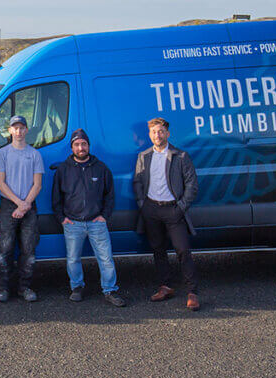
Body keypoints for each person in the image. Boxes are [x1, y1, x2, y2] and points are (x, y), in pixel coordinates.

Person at [51, 128, 126, 307]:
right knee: (73, 258)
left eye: (84, 144)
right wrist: (62, 218)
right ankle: (77, 287)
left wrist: (104, 216)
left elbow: (110, 195)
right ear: (71, 148)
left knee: (106, 258)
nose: (81, 147)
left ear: (89, 146)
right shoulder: (63, 170)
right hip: (72, 223)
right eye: (77, 144)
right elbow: (56, 198)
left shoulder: (101, 168)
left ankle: (110, 290)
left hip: (96, 223)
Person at [133, 117, 201, 311]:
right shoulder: (143, 156)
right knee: (158, 250)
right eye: (154, 132)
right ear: (149, 135)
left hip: (173, 210)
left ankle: (192, 292)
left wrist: (181, 207)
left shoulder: (181, 156)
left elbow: (192, 185)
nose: (158, 135)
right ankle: (166, 287)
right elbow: (137, 182)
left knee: (183, 251)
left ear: (168, 133)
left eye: (161, 131)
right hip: (151, 210)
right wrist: (142, 203)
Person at [0, 115, 44, 303]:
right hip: (9, 205)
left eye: (22, 127)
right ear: (10, 131)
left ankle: (25, 287)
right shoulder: (3, 153)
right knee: (4, 248)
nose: (19, 131)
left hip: (29, 205)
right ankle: (3, 288)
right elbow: (0, 183)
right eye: (15, 128)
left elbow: (37, 184)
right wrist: (18, 204)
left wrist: (25, 205)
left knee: (29, 249)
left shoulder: (35, 154)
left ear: (26, 131)